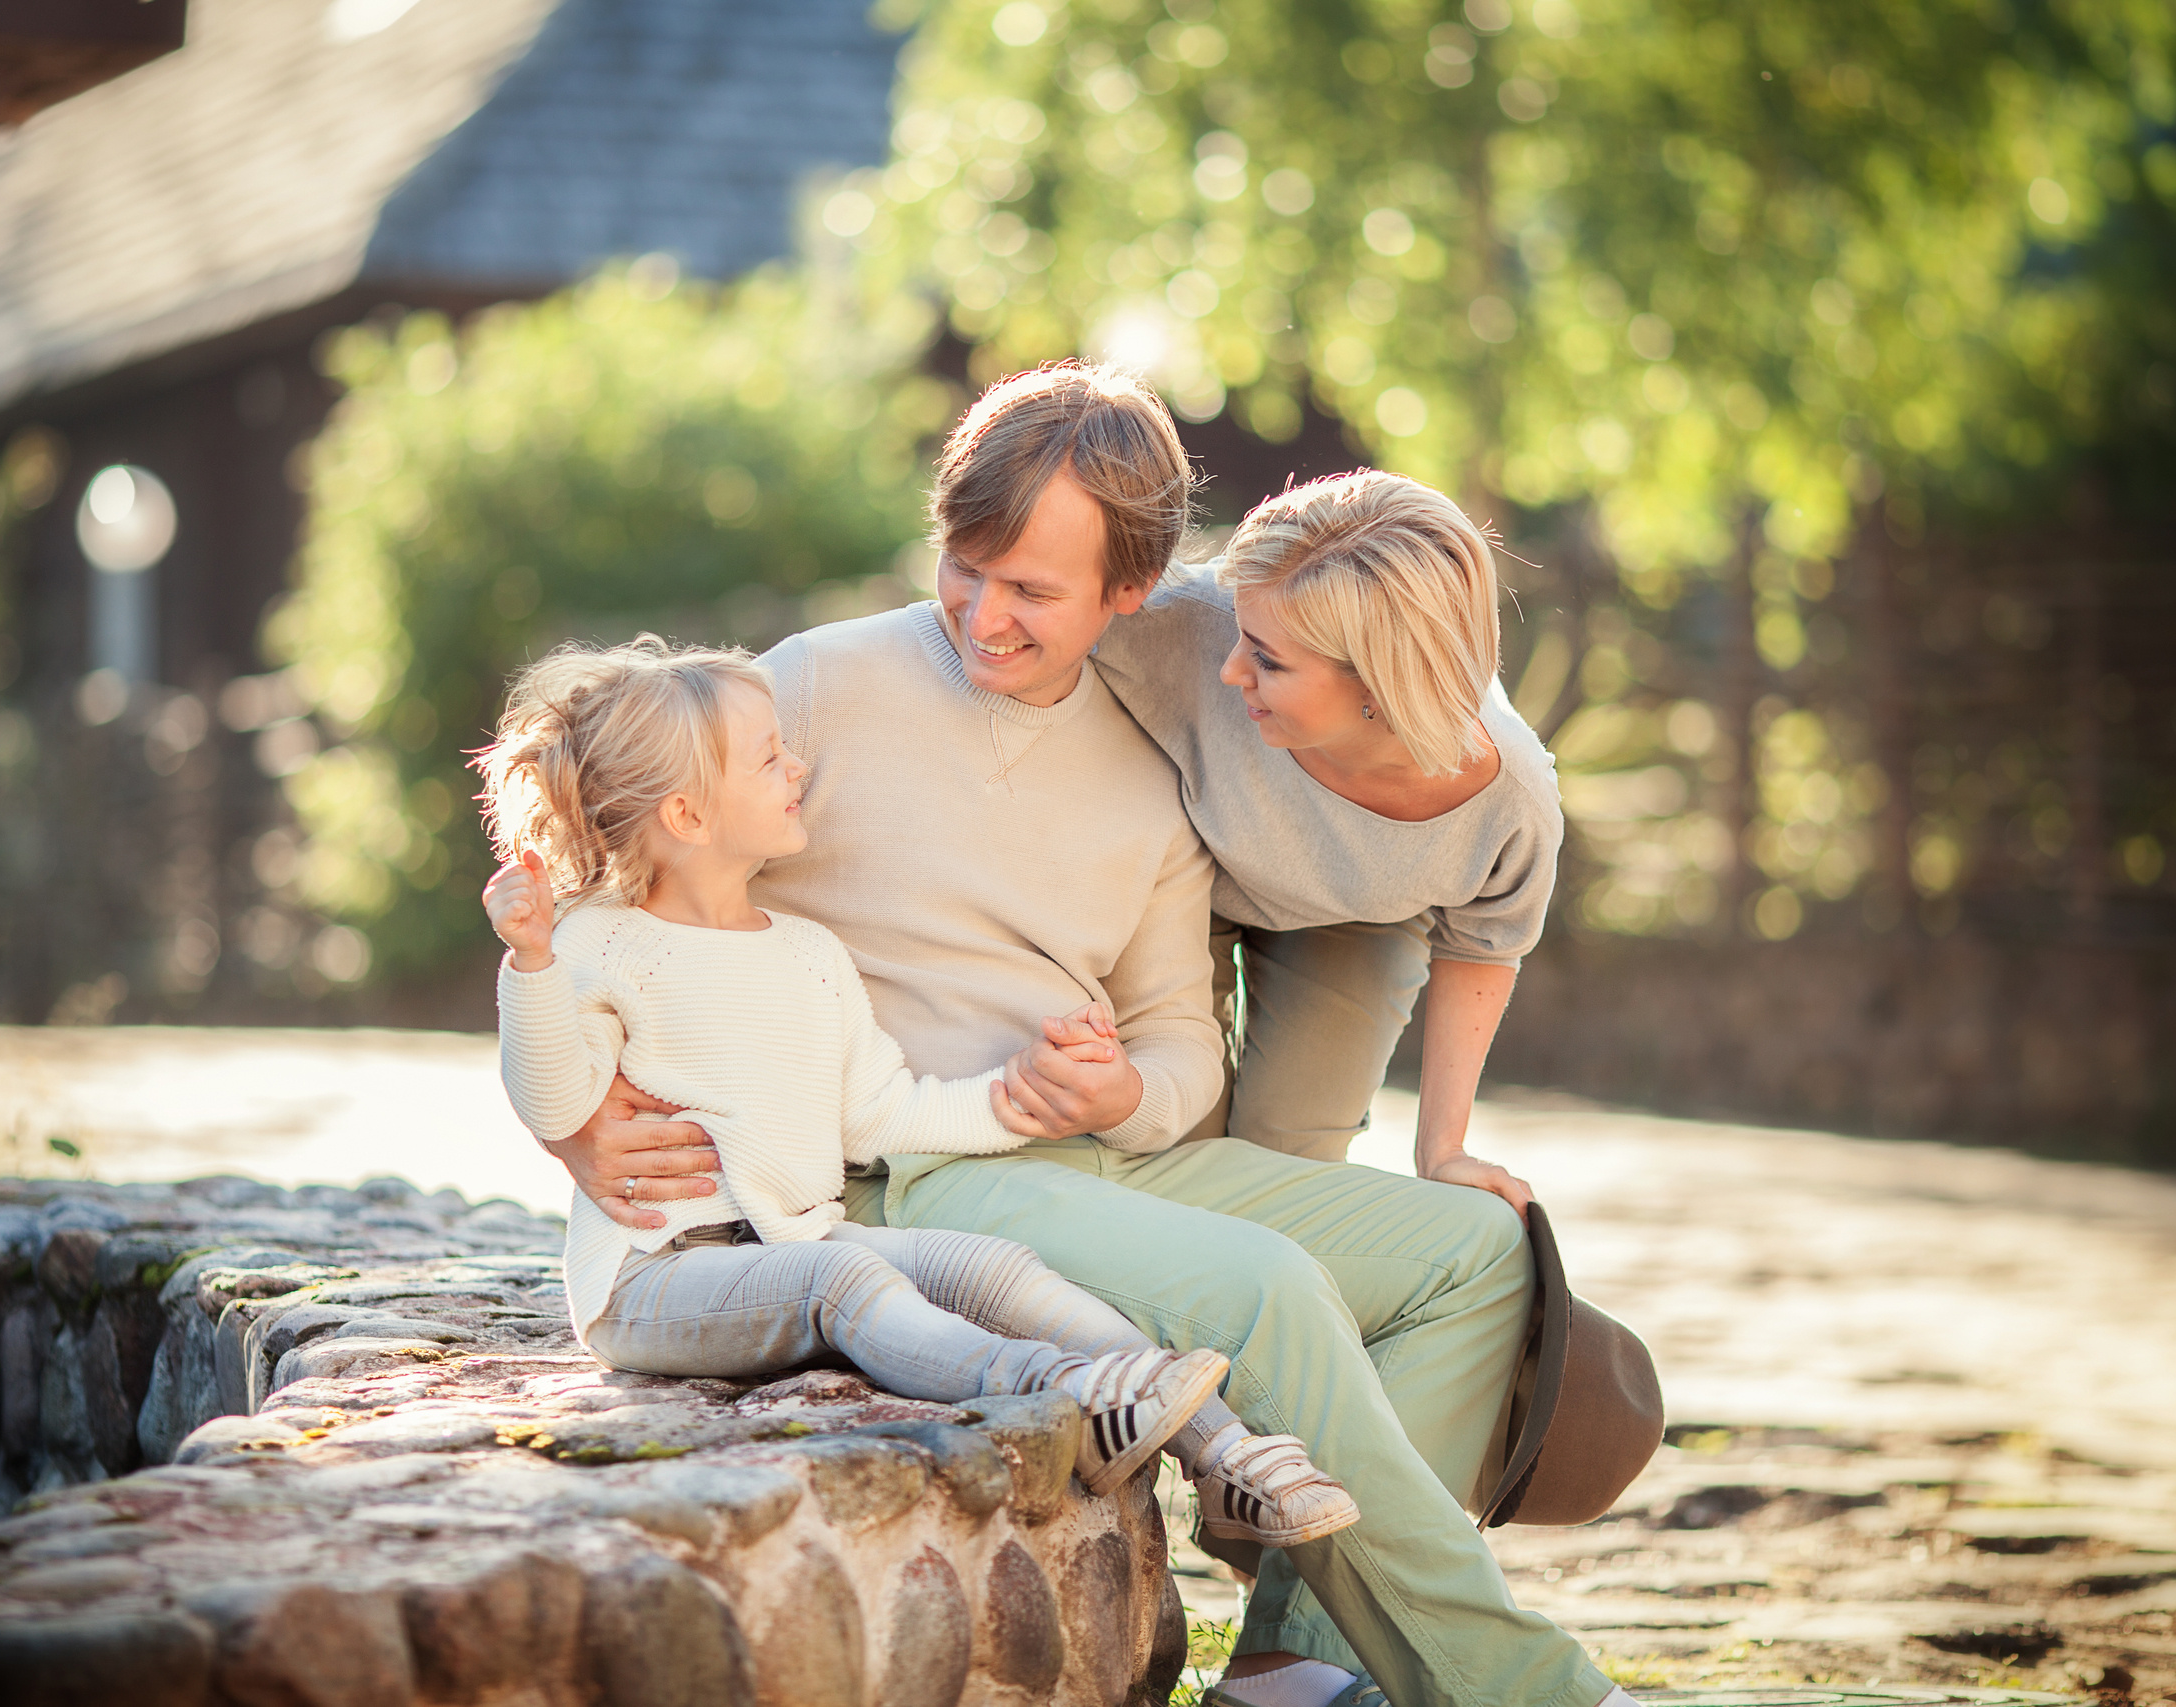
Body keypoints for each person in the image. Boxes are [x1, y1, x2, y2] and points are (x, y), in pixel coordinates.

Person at [541, 364, 1633, 1707]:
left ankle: (1298, 1661)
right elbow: (600, 869)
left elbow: (1183, 1049)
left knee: (1484, 1257)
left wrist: (1123, 1085)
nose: (983, 615)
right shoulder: (815, 687)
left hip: (1108, 1155)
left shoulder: (1158, 755)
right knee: (1271, 1287)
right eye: (965, 565)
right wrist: (580, 1114)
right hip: (928, 1170)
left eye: (1032, 591)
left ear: (1134, 599)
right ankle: (1533, 1688)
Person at [471, 634, 1356, 1528]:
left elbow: (878, 1114)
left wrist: (1018, 1097)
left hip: (789, 1242)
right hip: (655, 1279)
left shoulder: (809, 953)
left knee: (991, 1267)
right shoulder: (595, 943)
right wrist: (532, 962)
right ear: (689, 816)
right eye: (770, 756)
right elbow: (557, 1102)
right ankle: (1066, 1390)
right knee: (843, 1287)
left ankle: (1229, 1453)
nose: (798, 766)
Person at [1090, 470, 1563, 1211]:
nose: (1229, 668)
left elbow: (1483, 943)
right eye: (1241, 634)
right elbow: (1008, 621)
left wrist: (1442, 1149)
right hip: (1188, 870)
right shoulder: (1184, 623)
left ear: (1381, 684)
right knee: (1170, 1150)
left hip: (1360, 913)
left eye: (1269, 662)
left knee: (1280, 1178)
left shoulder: (1510, 801)